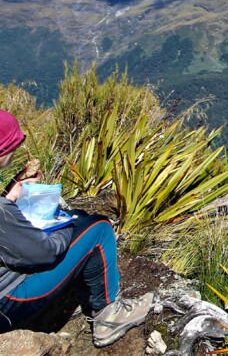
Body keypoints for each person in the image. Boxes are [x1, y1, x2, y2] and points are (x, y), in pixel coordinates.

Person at [0, 109, 152, 347]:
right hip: (7, 303)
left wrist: (10, 194)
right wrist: (65, 221)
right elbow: (46, 253)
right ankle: (108, 317)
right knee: (98, 228)